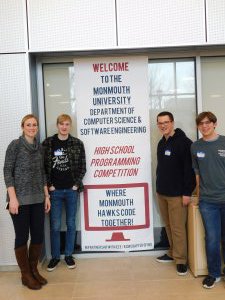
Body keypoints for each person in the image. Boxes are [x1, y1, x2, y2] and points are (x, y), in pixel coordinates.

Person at [3, 114, 51, 290]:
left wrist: (46, 196)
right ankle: (25, 274)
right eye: (29, 124)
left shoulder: (40, 148)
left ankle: (33, 270)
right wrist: (13, 198)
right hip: (19, 200)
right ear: (22, 126)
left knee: (38, 236)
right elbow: (7, 171)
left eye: (34, 125)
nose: (32, 127)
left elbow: (43, 173)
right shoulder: (15, 146)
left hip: (38, 198)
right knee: (22, 236)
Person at [42, 114, 86, 271]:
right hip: (54, 192)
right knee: (54, 225)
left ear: (70, 126)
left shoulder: (77, 143)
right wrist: (49, 185)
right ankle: (55, 257)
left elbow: (82, 166)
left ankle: (68, 255)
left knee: (71, 223)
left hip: (71, 191)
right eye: (61, 124)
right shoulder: (48, 143)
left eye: (67, 124)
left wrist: (76, 184)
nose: (64, 127)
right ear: (57, 125)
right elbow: (42, 168)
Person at [156, 111, 196, 275]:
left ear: (172, 122)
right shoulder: (161, 142)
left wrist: (187, 192)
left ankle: (181, 260)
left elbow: (190, 170)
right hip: (162, 192)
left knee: (178, 228)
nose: (163, 125)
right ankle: (173, 253)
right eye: (160, 123)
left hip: (178, 194)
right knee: (169, 226)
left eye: (166, 122)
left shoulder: (184, 143)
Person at [191, 111, 225, 289]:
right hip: (208, 202)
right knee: (212, 238)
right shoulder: (195, 147)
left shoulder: (224, 142)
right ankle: (214, 274)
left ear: (214, 123)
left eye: (207, 123)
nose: (204, 126)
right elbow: (197, 174)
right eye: (201, 124)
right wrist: (198, 195)